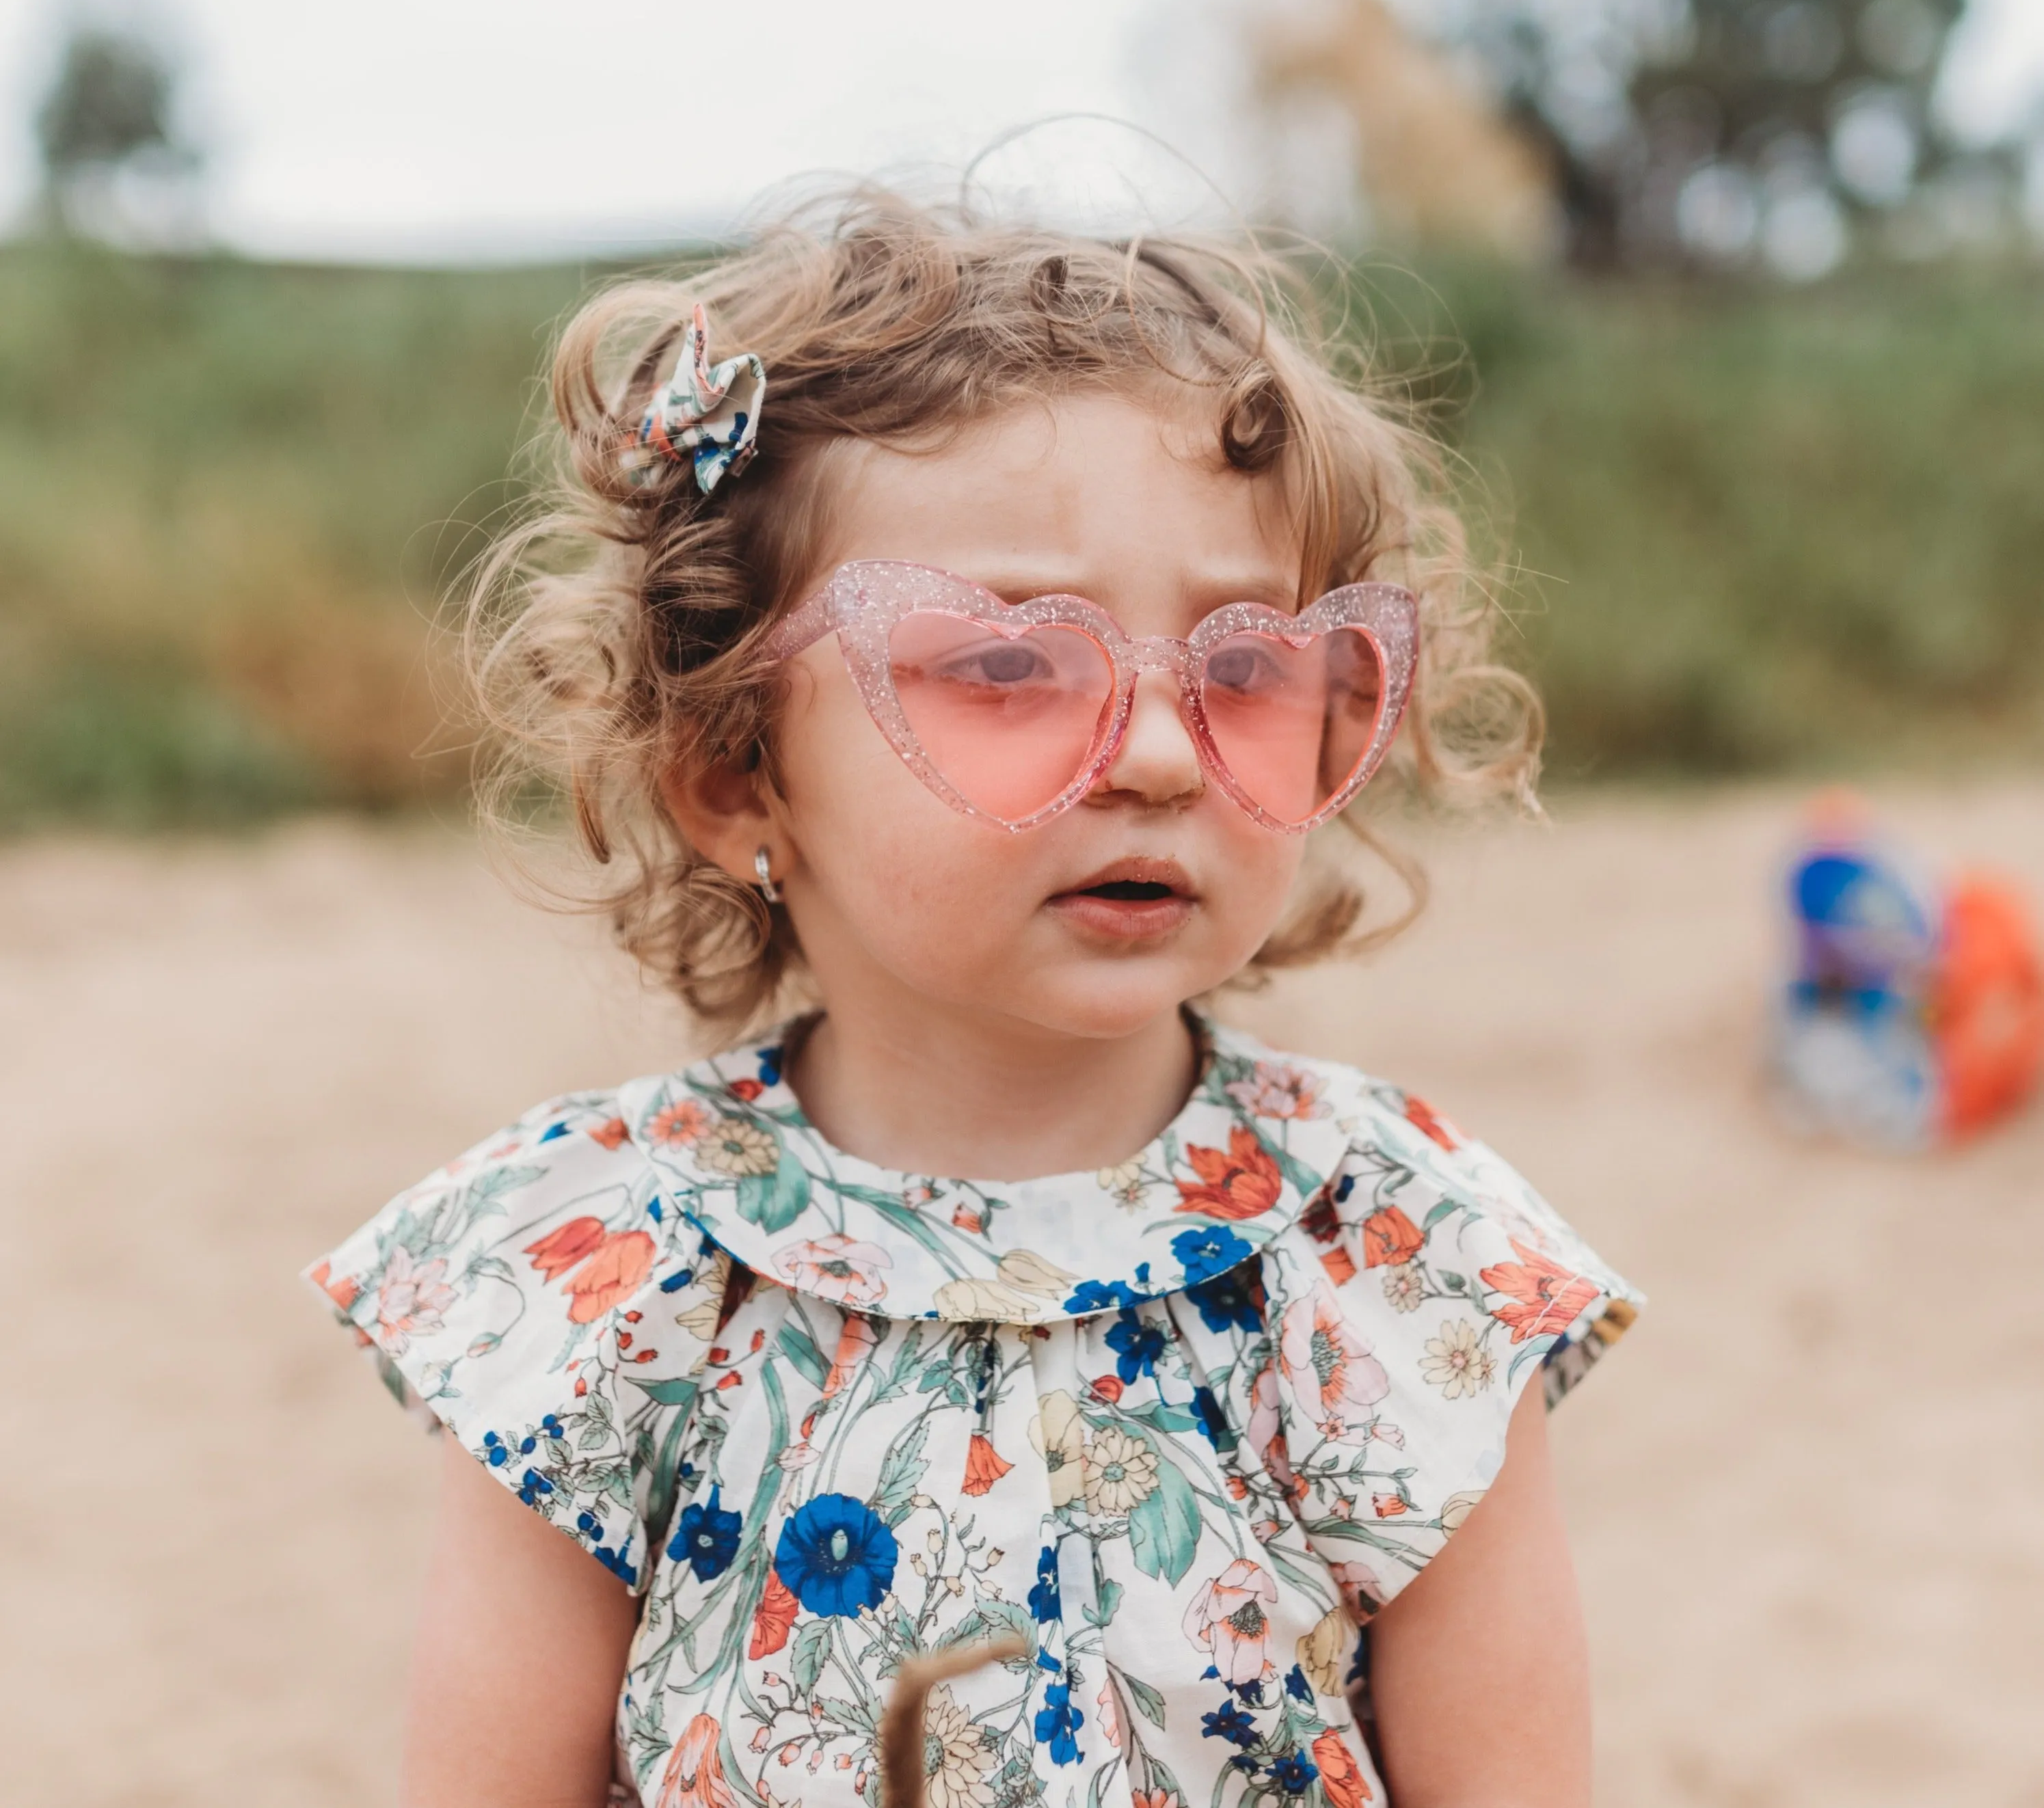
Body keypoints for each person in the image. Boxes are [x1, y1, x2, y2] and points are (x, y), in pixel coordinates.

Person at [308, 189, 1640, 1808]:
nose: (1159, 754)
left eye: (1245, 665)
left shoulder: (1398, 1260)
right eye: (1008, 664)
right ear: (735, 773)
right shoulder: (603, 1275)